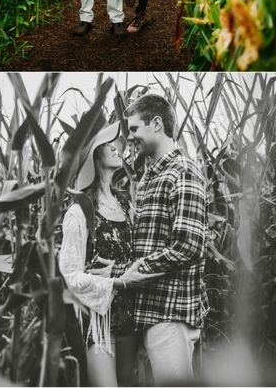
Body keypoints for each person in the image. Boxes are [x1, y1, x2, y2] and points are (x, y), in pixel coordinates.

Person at [93, 94, 209, 387]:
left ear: (156, 124)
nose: (129, 139)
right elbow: (149, 245)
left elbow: (187, 246)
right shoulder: (150, 178)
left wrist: (122, 274)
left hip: (170, 314)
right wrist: (116, 269)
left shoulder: (182, 172)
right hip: (152, 314)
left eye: (133, 130)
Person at [59, 121, 153, 387]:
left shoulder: (126, 205)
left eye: (117, 144)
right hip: (98, 324)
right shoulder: (79, 212)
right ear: (93, 155)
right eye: (108, 144)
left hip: (130, 320)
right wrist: (117, 282)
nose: (116, 148)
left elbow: (138, 256)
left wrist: (121, 272)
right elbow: (70, 275)